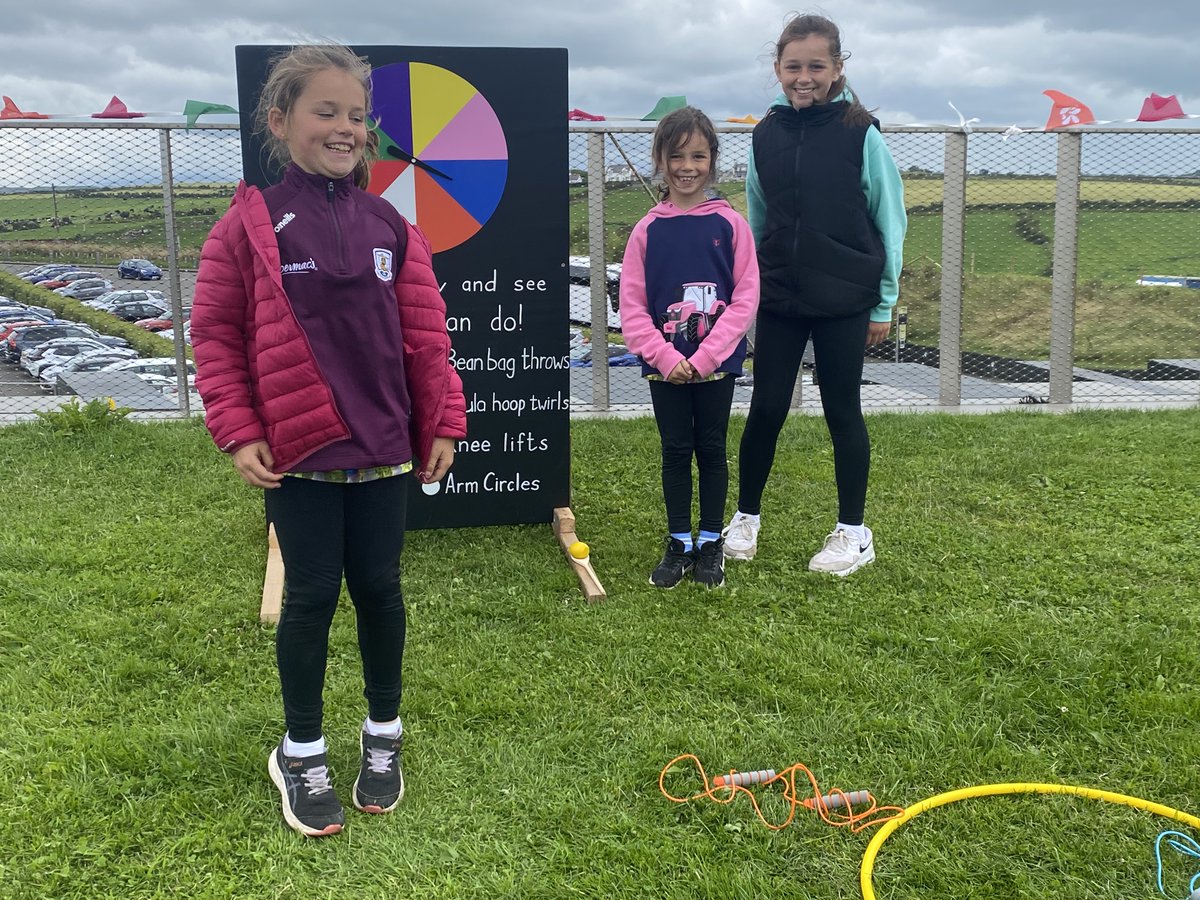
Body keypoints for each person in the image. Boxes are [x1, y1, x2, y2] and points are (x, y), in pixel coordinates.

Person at [190, 44, 467, 837]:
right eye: (326, 112)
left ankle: (384, 739)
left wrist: (444, 417)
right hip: (300, 453)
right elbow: (213, 335)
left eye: (356, 116)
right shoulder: (247, 225)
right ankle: (302, 751)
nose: (345, 128)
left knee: (380, 590)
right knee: (311, 596)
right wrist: (238, 430)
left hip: (384, 447)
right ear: (281, 122)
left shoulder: (391, 223)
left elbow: (426, 334)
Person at [722, 14, 907, 576]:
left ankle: (853, 532)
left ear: (837, 69)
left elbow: (890, 220)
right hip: (780, 297)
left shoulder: (861, 132)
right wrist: (749, 293)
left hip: (846, 299)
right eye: (793, 66)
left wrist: (883, 303)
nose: (804, 77)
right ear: (777, 69)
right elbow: (757, 219)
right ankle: (745, 517)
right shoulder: (765, 134)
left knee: (841, 411)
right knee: (766, 409)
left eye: (816, 66)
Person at [619, 106, 760, 589]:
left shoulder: (731, 225)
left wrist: (704, 358)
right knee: (676, 451)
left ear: (712, 161)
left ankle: (710, 543)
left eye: (698, 156)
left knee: (712, 450)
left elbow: (745, 299)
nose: (687, 166)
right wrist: (667, 357)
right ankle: (679, 542)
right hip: (665, 370)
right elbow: (632, 308)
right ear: (660, 160)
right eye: (676, 155)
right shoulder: (646, 230)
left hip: (715, 369)